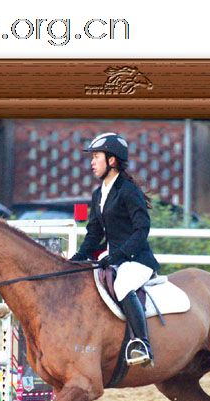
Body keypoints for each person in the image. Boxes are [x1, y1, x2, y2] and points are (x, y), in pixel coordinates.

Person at [70, 132, 159, 366]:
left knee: (122, 285)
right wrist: (77, 258)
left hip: (137, 260)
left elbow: (142, 229)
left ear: (111, 160)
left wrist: (118, 255)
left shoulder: (128, 190)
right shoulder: (98, 194)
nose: (92, 162)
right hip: (113, 260)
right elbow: (94, 234)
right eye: (92, 158)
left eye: (96, 157)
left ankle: (142, 343)